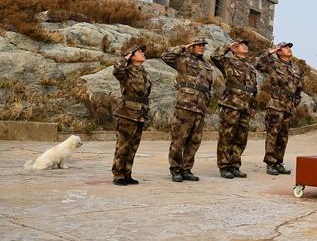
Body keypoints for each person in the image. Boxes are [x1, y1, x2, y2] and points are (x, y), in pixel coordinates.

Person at [162, 38, 215, 182]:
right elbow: (166, 55)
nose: (202, 48)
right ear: (191, 46)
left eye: (203, 46)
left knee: (194, 140)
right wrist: (183, 47)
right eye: (198, 45)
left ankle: (186, 169)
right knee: (179, 138)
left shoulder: (206, 64)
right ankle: (175, 169)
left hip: (201, 106)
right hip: (186, 105)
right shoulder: (182, 59)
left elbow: (208, 86)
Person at [211, 36, 258, 179]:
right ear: (235, 49)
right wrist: (228, 46)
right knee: (227, 135)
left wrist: (253, 106)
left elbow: (253, 88)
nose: (245, 46)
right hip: (231, 104)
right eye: (241, 45)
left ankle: (235, 165)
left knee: (241, 138)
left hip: (246, 106)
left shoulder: (250, 67)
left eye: (246, 45)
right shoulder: (228, 62)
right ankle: (224, 166)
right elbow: (214, 56)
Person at [256, 42, 302, 175]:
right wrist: (268, 53)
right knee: (273, 135)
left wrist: (295, 102)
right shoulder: (273, 64)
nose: (289, 49)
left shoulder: (295, 68)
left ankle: (278, 162)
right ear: (279, 51)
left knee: (283, 136)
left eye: (290, 47)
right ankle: (270, 163)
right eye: (286, 47)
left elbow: (299, 88)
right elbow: (258, 64)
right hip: (276, 104)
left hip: (289, 107)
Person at [111, 41, 151, 186]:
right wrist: (125, 58)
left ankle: (127, 173)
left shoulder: (143, 72)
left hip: (140, 113)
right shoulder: (126, 72)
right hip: (127, 113)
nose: (143, 53)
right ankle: (118, 175)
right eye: (140, 52)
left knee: (133, 146)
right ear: (132, 56)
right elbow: (116, 70)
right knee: (123, 145)